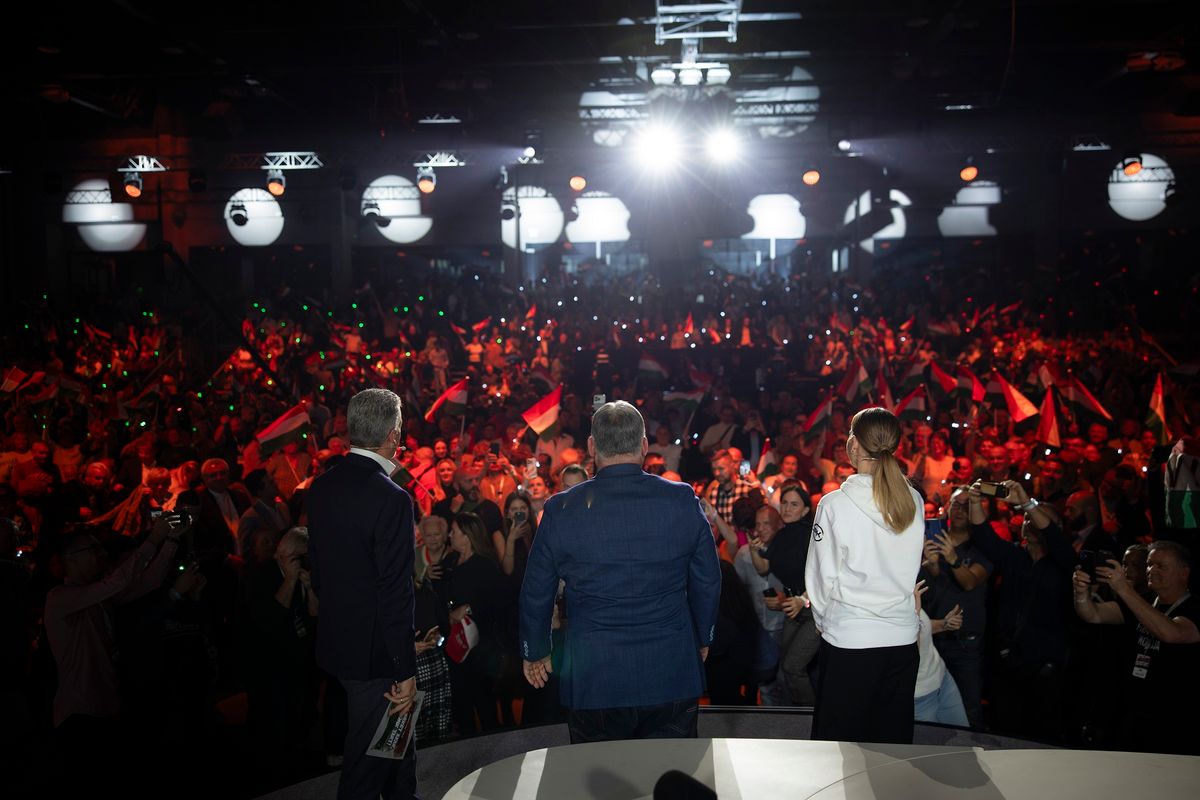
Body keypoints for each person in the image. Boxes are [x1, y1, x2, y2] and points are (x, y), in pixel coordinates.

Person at [520, 400, 721, 743]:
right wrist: (702, 637)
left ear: (592, 447)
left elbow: (537, 589)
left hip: (593, 674)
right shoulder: (681, 499)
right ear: (644, 445)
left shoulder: (561, 508)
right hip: (669, 666)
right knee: (670, 779)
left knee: (600, 786)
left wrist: (535, 649)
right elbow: (707, 579)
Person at [307, 388, 418, 800]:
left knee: (395, 744)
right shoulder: (391, 498)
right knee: (365, 767)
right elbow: (395, 590)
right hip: (376, 656)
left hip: (340, 643)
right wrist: (404, 667)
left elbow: (318, 572)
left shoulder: (321, 487)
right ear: (393, 435)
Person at [805, 407, 924, 744]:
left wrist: (823, 619)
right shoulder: (913, 499)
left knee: (838, 745)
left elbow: (819, 576)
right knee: (891, 744)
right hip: (901, 640)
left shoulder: (834, 504)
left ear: (854, 445)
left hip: (850, 639)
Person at [1071, 540, 1199, 754]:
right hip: (1134, 715)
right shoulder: (1144, 601)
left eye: (1161, 566)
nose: (1151, 570)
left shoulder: (1195, 607)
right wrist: (1081, 593)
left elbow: (1172, 633)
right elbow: (1092, 614)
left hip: (1176, 723)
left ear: (1184, 572)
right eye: (1149, 564)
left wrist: (1123, 590)